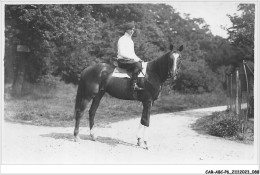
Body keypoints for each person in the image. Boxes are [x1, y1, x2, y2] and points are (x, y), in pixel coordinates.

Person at [117, 21, 143, 91]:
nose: (132, 31)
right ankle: (132, 85)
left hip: (129, 61)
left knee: (141, 64)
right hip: (122, 61)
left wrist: (138, 58)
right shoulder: (122, 39)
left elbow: (133, 54)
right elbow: (122, 53)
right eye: (131, 29)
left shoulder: (131, 41)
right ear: (126, 30)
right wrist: (134, 59)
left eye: (133, 29)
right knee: (138, 65)